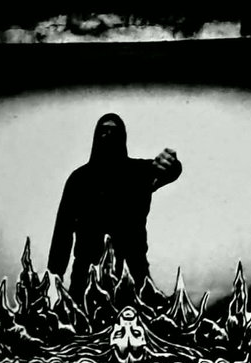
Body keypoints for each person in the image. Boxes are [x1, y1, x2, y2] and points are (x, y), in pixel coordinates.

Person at [48, 113, 182, 301]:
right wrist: (54, 274)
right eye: (104, 130)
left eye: (114, 130)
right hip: (86, 276)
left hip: (133, 274)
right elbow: (63, 230)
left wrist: (171, 164)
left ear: (122, 136)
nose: (108, 134)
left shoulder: (138, 173)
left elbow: (168, 171)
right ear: (96, 136)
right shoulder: (79, 179)